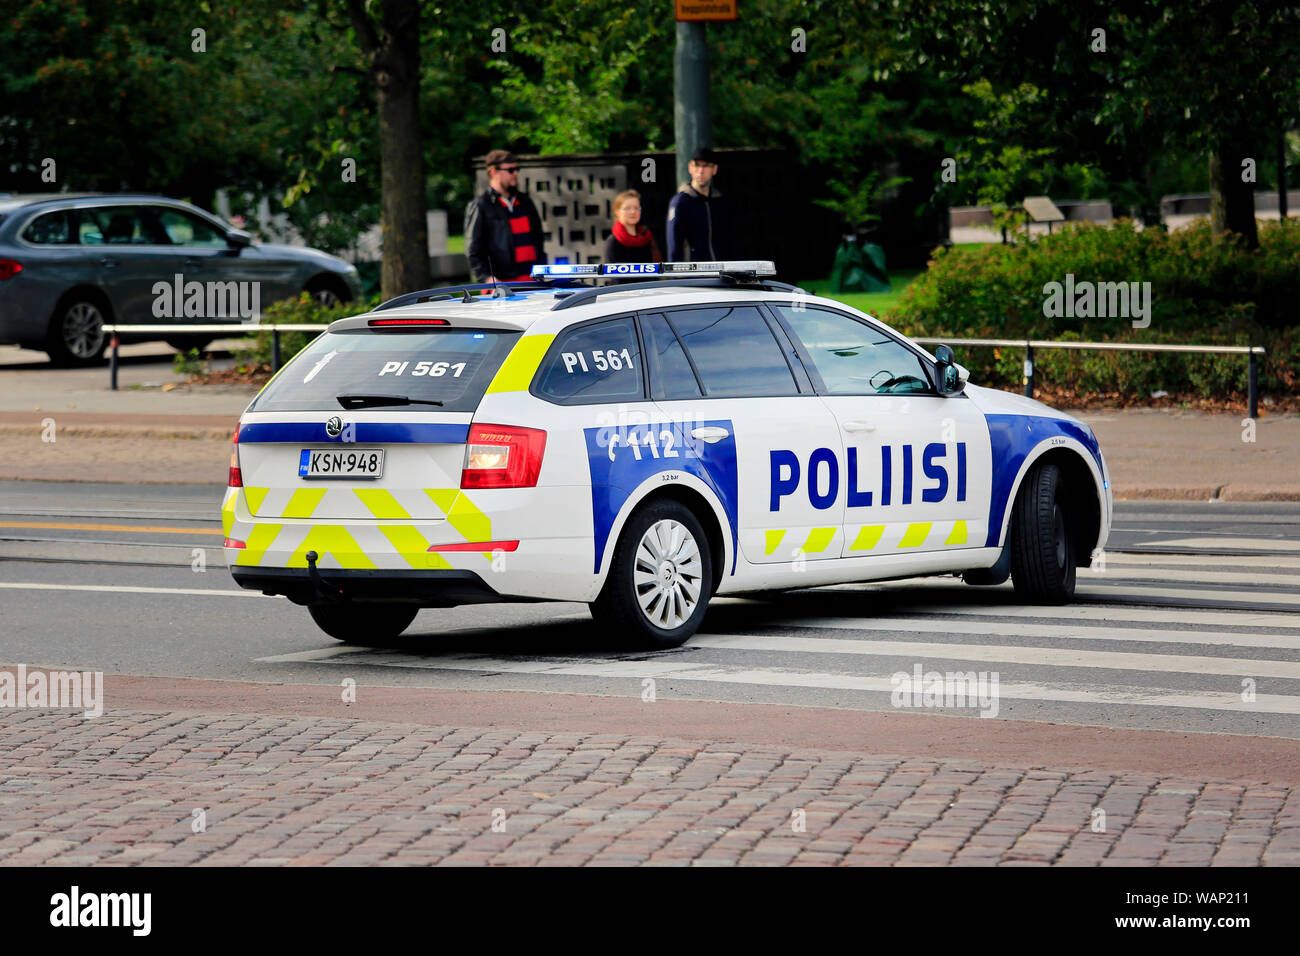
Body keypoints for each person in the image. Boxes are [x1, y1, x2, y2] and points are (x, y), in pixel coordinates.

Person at [464, 149, 546, 283]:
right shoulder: (481, 205)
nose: (515, 173)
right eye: (510, 170)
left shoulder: (526, 202)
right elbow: (473, 250)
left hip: (533, 282)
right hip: (502, 285)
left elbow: (539, 240)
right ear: (493, 172)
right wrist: (486, 278)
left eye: (517, 169)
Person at [666, 146, 735, 261]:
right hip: (692, 276)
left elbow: (730, 242)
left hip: (721, 274)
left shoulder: (720, 202)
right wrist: (677, 277)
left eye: (706, 166)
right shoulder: (680, 202)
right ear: (690, 168)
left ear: (714, 169)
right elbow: (674, 245)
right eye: (696, 165)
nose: (701, 171)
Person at [603, 189, 663, 265]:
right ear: (617, 212)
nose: (633, 212)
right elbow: (613, 275)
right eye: (627, 208)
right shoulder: (613, 242)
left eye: (636, 208)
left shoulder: (646, 237)